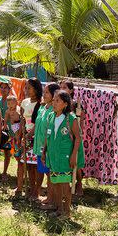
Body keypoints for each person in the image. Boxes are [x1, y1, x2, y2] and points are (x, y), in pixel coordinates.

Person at [41, 90, 82, 219]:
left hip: (65, 157)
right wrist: (44, 152)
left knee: (65, 185)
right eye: (53, 100)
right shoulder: (51, 117)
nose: (54, 103)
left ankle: (67, 212)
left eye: (57, 100)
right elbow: (48, 136)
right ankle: (59, 209)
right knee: (55, 184)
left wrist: (74, 155)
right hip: (53, 157)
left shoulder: (71, 118)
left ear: (65, 104)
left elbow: (78, 138)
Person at [34, 83, 59, 209]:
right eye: (44, 92)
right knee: (42, 171)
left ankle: (51, 198)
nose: (44, 94)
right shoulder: (42, 108)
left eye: (47, 92)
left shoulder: (54, 111)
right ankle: (46, 195)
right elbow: (37, 125)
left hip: (47, 147)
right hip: (39, 146)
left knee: (50, 173)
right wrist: (28, 136)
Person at [60, 80, 86, 196]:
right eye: (60, 87)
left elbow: (81, 123)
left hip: (74, 138)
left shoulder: (76, 105)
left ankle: (79, 184)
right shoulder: (59, 103)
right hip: (62, 138)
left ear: (70, 90)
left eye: (64, 87)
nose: (62, 89)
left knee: (76, 162)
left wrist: (76, 136)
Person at [19, 78, 42, 200]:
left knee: (36, 165)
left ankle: (36, 190)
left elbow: (38, 123)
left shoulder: (41, 103)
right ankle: (31, 187)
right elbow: (22, 118)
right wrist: (22, 133)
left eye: (29, 88)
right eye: (25, 87)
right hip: (26, 135)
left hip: (37, 136)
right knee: (29, 165)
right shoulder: (24, 102)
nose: (26, 90)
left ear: (36, 89)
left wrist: (29, 135)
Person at [3, 95, 24, 194]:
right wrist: (5, 125)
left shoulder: (19, 109)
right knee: (14, 138)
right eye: (8, 103)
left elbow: (22, 119)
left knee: (17, 136)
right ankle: (15, 143)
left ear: (16, 102)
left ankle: (17, 141)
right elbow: (6, 119)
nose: (10, 105)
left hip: (18, 125)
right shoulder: (8, 111)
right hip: (12, 127)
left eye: (12, 103)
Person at [0, 81, 12, 181]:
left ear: (9, 90)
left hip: (8, 129)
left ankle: (5, 172)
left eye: (5, 87)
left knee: (7, 151)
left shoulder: (12, 100)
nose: (3, 89)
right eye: (1, 87)